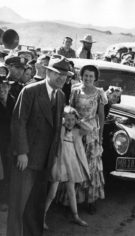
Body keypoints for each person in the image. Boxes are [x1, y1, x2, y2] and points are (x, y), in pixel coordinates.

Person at [6, 55, 72, 236]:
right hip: (26, 160)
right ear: (48, 72)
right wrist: (21, 153)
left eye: (65, 75)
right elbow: (18, 122)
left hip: (45, 161)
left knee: (36, 206)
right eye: (58, 74)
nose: (62, 78)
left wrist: (55, 157)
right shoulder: (30, 91)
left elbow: (57, 127)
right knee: (19, 205)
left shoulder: (60, 95)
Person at [70, 64, 107, 214]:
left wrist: (101, 134)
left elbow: (101, 116)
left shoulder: (99, 93)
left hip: (92, 132)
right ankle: (73, 200)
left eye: (91, 76)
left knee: (91, 166)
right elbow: (70, 110)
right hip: (77, 131)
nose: (88, 78)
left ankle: (90, 200)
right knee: (75, 163)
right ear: (81, 76)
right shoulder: (75, 90)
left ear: (95, 78)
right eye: (86, 75)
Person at [44, 106, 90, 229]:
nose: (70, 122)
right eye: (67, 119)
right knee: (52, 193)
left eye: (72, 120)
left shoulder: (76, 131)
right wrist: (63, 122)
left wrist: (78, 120)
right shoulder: (61, 130)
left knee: (71, 190)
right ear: (63, 119)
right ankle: (41, 216)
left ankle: (75, 216)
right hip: (59, 162)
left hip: (71, 162)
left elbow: (89, 129)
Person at [0, 76, 15, 211]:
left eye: (5, 86)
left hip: (10, 143)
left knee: (8, 170)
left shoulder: (13, 101)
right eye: (0, 86)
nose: (2, 89)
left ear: (9, 87)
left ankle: (5, 200)